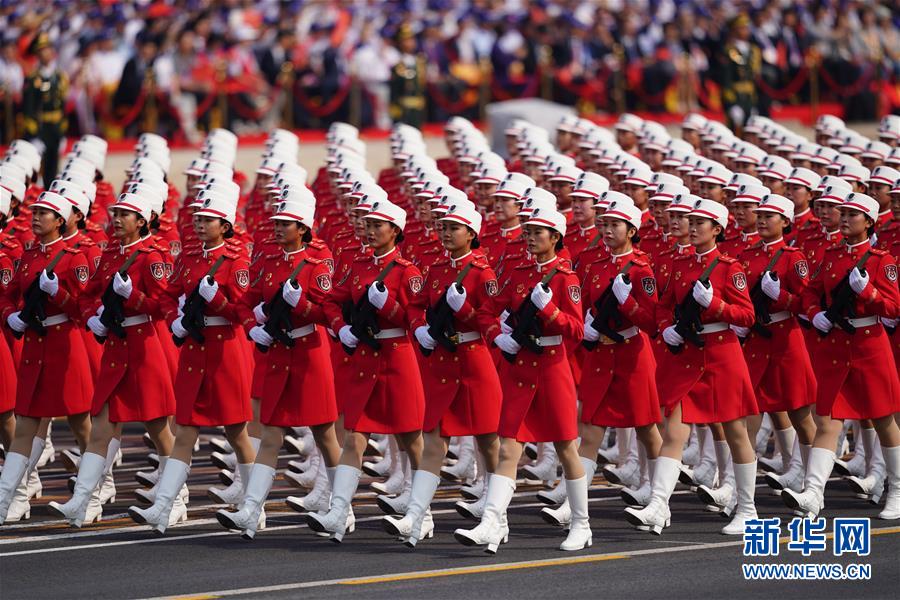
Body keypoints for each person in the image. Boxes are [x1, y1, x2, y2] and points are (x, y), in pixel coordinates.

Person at [456, 205, 589, 553]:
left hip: (553, 366)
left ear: (555, 237)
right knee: (508, 446)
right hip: (521, 368)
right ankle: (492, 523)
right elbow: (488, 311)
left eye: (537, 233)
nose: (529, 238)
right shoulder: (519, 272)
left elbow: (576, 331)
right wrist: (497, 335)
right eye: (527, 232)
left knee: (566, 448)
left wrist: (551, 311)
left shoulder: (566, 278)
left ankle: (581, 524)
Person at [625, 198, 760, 536]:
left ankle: (747, 509)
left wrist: (715, 304)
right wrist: (667, 327)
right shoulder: (679, 264)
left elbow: (747, 316)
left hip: (721, 354)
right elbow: (664, 306)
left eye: (701, 222)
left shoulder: (729, 267)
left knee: (736, 433)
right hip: (687, 355)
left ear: (717, 230)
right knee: (674, 431)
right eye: (692, 221)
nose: (693, 226)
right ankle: (659, 504)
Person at [128, 191, 254, 533]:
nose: (199, 224)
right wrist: (175, 321)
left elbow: (242, 312)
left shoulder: (236, 261)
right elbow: (167, 296)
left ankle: (252, 504)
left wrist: (219, 301)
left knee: (237, 431)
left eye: (207, 220)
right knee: (184, 429)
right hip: (194, 348)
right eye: (197, 218)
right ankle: (165, 505)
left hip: (225, 349)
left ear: (224, 225)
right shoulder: (187, 257)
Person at [215, 197, 341, 539]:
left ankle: (341, 507)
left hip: (309, 353)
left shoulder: (317, 264)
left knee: (324, 434)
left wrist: (302, 304)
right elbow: (245, 301)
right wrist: (251, 324)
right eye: (277, 222)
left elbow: (327, 312)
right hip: (277, 353)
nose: (278, 228)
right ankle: (251, 509)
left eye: (285, 223)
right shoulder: (269, 261)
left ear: (302, 228)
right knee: (269, 433)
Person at [48, 193, 176, 527]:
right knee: (101, 427)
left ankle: (175, 499)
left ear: (142, 221)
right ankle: (83, 501)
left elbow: (162, 305)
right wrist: (95, 316)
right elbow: (88, 294)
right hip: (116, 347)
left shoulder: (152, 256)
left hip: (143, 347)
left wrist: (131, 296)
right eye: (115, 213)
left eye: (124, 215)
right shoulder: (110, 254)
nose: (116, 219)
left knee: (158, 427)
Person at [382, 201, 503, 547]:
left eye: (454, 228)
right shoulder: (435, 269)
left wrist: (465, 311)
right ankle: (416, 516)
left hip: (474, 361)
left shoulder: (483, 273)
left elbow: (490, 318)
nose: (446, 233)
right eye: (444, 228)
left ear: (472, 233)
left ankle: (498, 518)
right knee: (434, 438)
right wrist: (419, 327)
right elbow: (416, 305)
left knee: (488, 441)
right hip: (443, 363)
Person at [310, 199, 426, 542]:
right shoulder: (359, 265)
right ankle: (339, 511)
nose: (370, 230)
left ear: (395, 231)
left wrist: (387, 306)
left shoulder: (407, 272)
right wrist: (340, 328)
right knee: (355, 434)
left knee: (411, 438)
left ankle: (422, 513)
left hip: (397, 357)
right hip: (365, 357)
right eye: (369, 224)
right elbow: (331, 301)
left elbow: (415, 319)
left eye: (378, 225)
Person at [786, 192, 900, 521]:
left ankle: (896, 489)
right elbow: (810, 291)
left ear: (869, 222)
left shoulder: (880, 260)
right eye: (844, 213)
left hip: (868, 345)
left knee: (883, 419)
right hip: (835, 346)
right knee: (827, 420)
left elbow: (893, 307)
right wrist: (815, 313)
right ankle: (813, 494)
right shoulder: (832, 254)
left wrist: (870, 293)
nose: (846, 218)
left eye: (853, 214)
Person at [0, 192, 93, 524]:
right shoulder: (27, 256)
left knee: (81, 424)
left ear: (61, 221)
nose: (36, 217)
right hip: (34, 346)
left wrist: (59, 293)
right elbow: (8, 295)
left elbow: (83, 308)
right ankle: (11, 498)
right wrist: (11, 315)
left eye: (44, 213)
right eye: (35, 212)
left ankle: (91, 495)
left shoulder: (73, 258)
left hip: (64, 345)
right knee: (26, 422)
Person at [731, 194, 817, 495]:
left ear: (785, 222)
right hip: (755, 340)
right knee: (747, 415)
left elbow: (806, 303)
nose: (763, 220)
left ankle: (811, 485)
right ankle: (739, 492)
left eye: (770, 216)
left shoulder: (794, 257)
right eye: (761, 215)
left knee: (800, 416)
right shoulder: (746, 255)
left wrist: (779, 296)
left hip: (785, 340)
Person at [22, 33, 68, 187]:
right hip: (41, 128)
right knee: (38, 171)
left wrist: (62, 133)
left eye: (48, 49)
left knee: (53, 168)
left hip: (55, 128)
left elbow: (63, 106)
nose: (46, 53)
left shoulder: (59, 76)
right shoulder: (33, 78)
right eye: (41, 51)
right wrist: (34, 135)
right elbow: (28, 109)